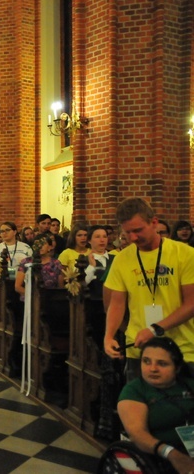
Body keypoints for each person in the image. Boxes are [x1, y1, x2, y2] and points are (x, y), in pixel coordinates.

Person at [104, 198, 194, 382]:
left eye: (138, 230)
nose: (133, 238)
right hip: (140, 350)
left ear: (154, 222)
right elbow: (117, 302)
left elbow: (191, 304)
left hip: (182, 348)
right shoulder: (122, 259)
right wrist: (109, 335)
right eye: (128, 233)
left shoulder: (185, 254)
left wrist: (154, 329)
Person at [117, 337, 194, 474]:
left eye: (162, 364)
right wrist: (171, 454)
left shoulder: (189, 385)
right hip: (158, 457)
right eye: (146, 361)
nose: (152, 369)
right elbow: (138, 434)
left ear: (177, 368)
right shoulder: (134, 391)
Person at [15, 233, 64, 300]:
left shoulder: (56, 263)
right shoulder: (26, 262)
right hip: (30, 299)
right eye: (37, 244)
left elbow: (60, 287)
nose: (40, 246)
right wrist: (34, 296)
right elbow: (18, 287)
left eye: (43, 244)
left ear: (50, 247)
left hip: (50, 299)